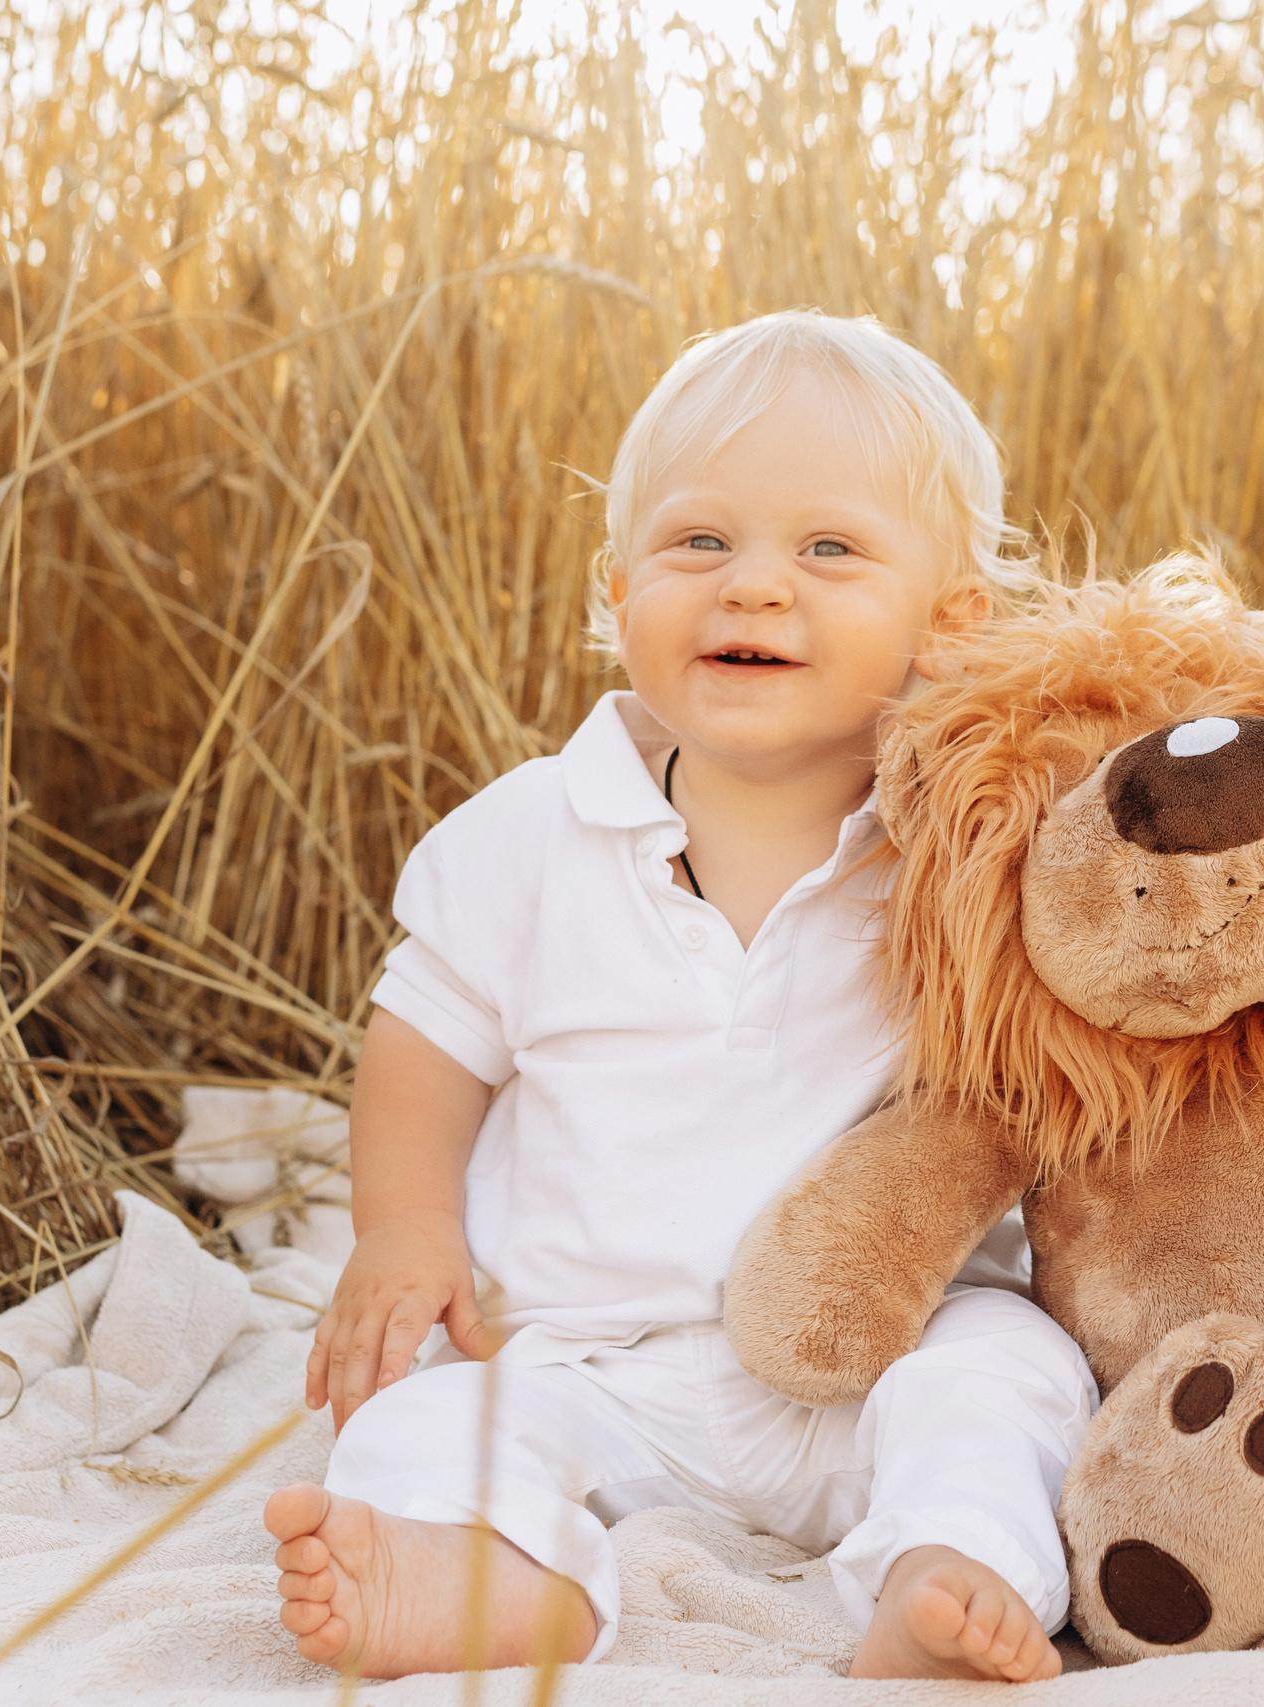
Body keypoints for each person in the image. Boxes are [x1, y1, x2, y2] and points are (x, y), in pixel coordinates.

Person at [259, 310, 1096, 1684]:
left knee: (1009, 1373)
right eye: (698, 543)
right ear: (618, 588)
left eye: (828, 550)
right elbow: (422, 1047)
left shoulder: (972, 849)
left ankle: (945, 1569)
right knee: (417, 1427)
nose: (753, 588)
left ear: (953, 623)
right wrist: (405, 1230)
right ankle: (486, 1577)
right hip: (586, 1366)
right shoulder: (528, 835)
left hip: (873, 1363)